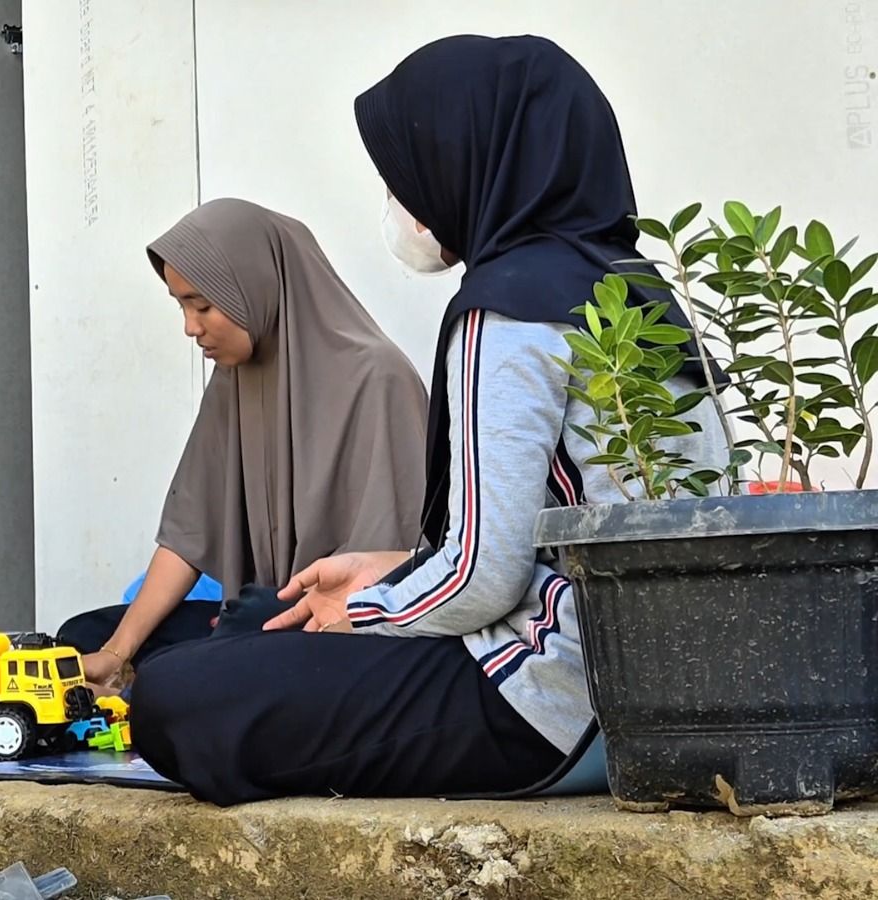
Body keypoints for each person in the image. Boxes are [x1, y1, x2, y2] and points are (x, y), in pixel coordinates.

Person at [129, 35, 726, 806]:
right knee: (259, 618)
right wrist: (393, 568)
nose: (403, 201)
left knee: (175, 696)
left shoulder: (509, 312)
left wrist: (368, 605)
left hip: (542, 707)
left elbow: (483, 580)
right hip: (654, 698)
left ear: (473, 159)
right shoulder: (637, 295)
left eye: (409, 172)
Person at [57, 198, 429, 686]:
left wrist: (263, 619)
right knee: (79, 636)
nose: (191, 327)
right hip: (259, 619)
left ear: (254, 288)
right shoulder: (234, 378)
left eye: (203, 305)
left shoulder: (378, 379)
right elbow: (189, 536)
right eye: (182, 305)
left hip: (339, 633)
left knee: (234, 630)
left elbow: (390, 581)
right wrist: (114, 652)